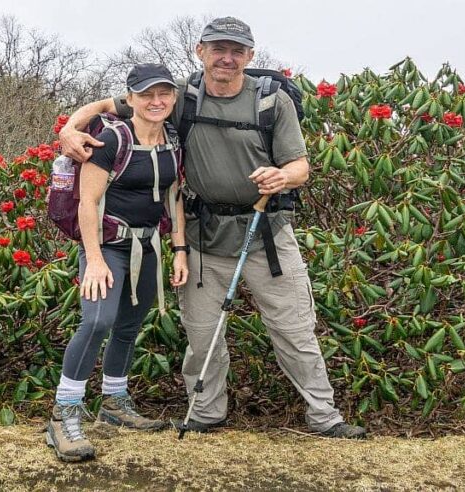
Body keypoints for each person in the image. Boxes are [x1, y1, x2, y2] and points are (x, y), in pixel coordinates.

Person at [59, 17, 366, 439]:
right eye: (218, 48)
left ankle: (324, 416)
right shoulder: (176, 97)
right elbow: (104, 107)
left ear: (250, 56)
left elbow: (301, 165)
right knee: (203, 336)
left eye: (237, 50)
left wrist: (284, 177)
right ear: (199, 51)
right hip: (203, 237)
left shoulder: (272, 102)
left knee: (294, 331)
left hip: (267, 235)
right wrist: (68, 130)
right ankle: (206, 412)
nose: (227, 57)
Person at [46, 63, 190, 462]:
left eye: (164, 93)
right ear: (131, 98)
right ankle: (65, 413)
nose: (156, 101)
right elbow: (88, 202)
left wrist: (179, 250)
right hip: (107, 246)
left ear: (173, 97)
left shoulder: (173, 138)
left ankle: (114, 402)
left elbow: (174, 197)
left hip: (149, 247)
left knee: (129, 325)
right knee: (97, 320)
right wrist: (93, 259)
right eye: (146, 94)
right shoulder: (111, 137)